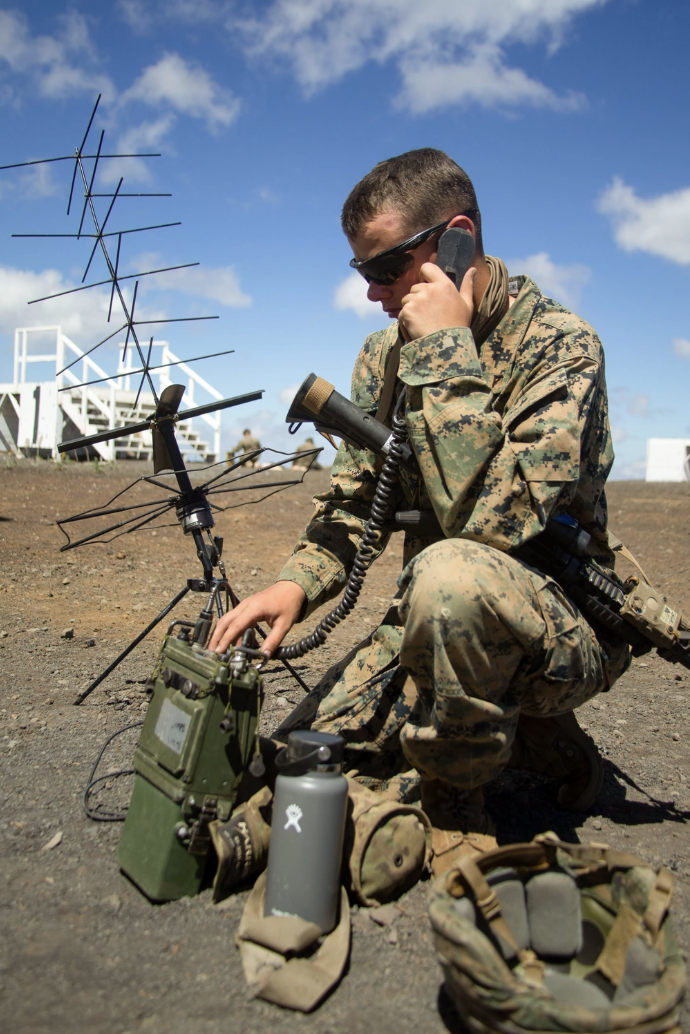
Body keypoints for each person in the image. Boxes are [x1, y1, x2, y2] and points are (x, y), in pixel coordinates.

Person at [209, 148, 630, 872]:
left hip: (564, 633)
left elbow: (497, 526)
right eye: (361, 273)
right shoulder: (382, 355)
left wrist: (444, 351)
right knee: (295, 764)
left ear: (457, 238)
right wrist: (296, 585)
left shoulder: (561, 347)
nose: (374, 294)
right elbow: (353, 502)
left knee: (450, 572)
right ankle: (519, 736)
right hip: (439, 618)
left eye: (385, 269)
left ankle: (459, 798)